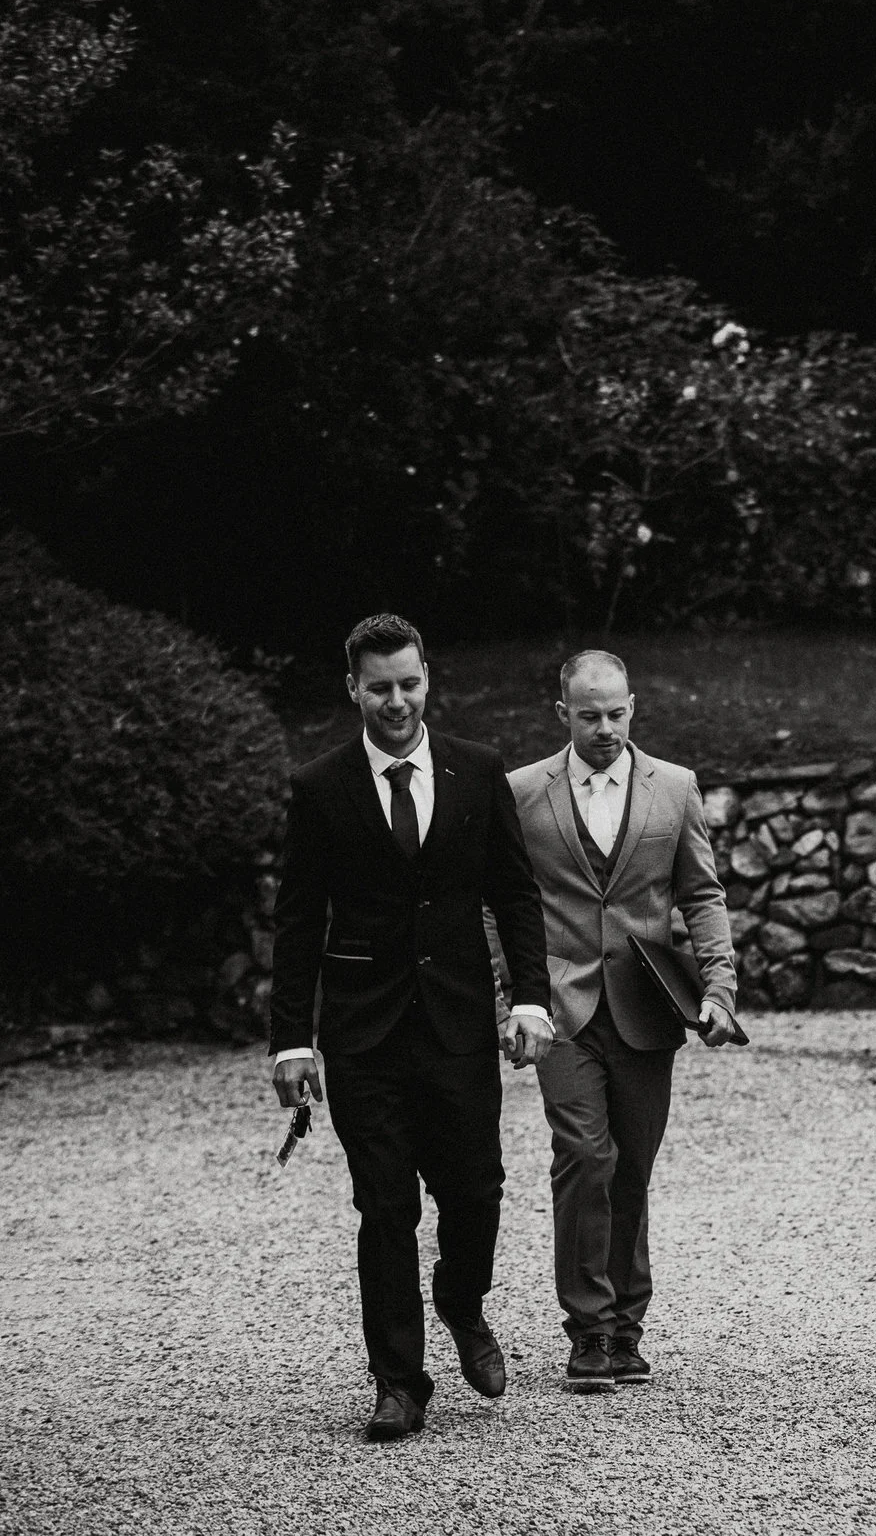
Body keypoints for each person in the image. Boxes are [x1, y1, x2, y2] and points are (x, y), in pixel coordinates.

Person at [268, 614, 554, 1442]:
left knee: (476, 1192)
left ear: (428, 676)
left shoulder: (477, 768)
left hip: (460, 1026)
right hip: (365, 1036)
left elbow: (516, 892)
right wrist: (293, 1038)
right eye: (379, 686)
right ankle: (399, 1380)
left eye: (409, 683)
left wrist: (528, 999)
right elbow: (297, 919)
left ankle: (461, 1299)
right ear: (352, 688)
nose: (397, 701)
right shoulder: (321, 787)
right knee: (383, 1206)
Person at [502, 650, 741, 1395]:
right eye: (588, 715)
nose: (604, 728)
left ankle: (626, 1327)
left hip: (646, 1009)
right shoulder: (521, 793)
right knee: (584, 1155)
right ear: (562, 712)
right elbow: (498, 902)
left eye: (616, 713)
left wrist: (720, 986)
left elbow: (701, 895)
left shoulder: (673, 788)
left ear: (633, 706)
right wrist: (515, 995)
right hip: (561, 1007)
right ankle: (588, 1327)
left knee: (632, 1164)